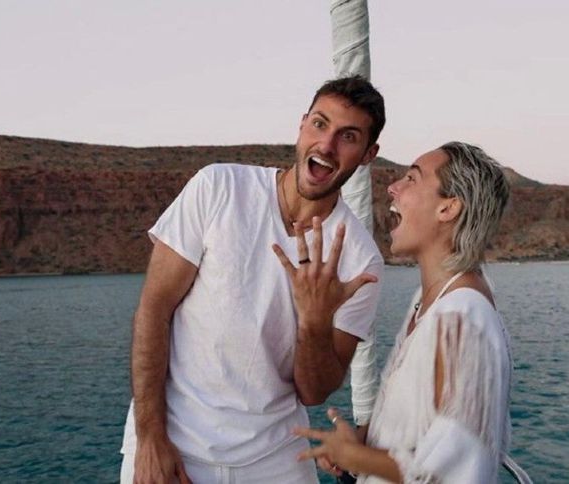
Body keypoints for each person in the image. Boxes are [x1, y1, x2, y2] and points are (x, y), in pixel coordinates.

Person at [119, 76, 386, 483]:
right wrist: (150, 437)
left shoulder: (360, 259)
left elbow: (314, 392)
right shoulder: (219, 187)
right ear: (302, 125)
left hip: (276, 459)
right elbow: (154, 310)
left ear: (368, 155)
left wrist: (314, 320)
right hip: (176, 444)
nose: (326, 145)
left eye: (348, 136)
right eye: (320, 124)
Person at [289, 142, 512, 483]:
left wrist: (354, 456)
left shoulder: (462, 319)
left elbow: (459, 473)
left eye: (412, 179)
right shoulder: (430, 301)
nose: (393, 187)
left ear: (448, 208)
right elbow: (419, 429)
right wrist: (361, 444)